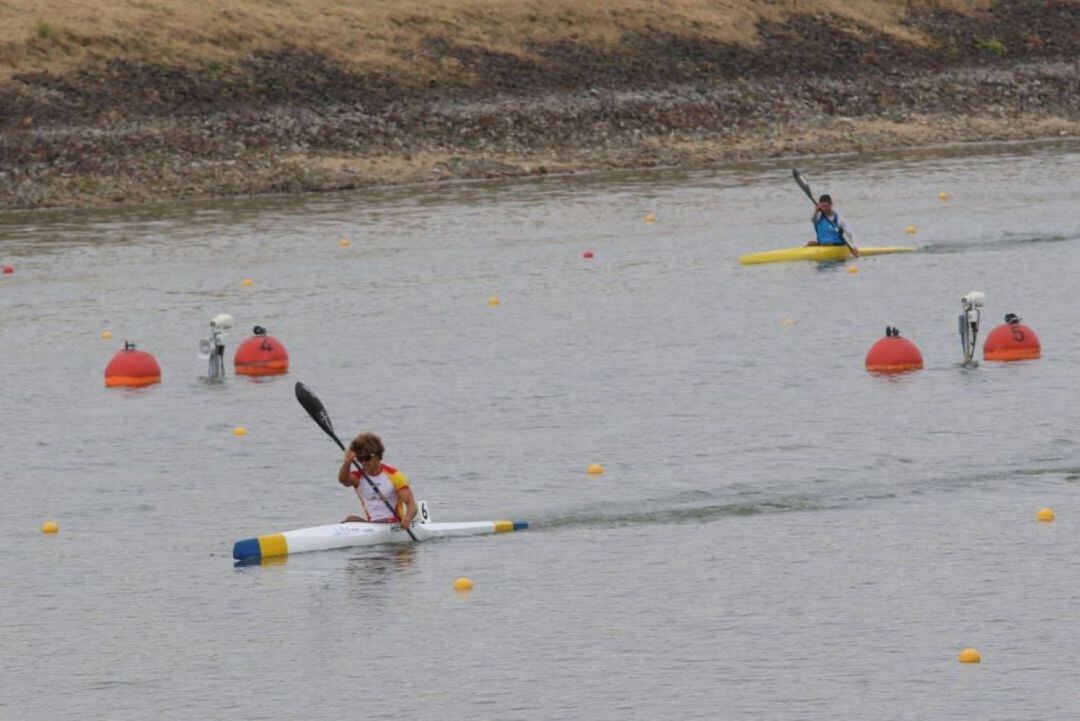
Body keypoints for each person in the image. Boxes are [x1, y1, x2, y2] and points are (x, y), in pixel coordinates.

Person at [337, 432, 417, 529]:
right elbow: (343, 480)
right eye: (360, 459)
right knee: (350, 519)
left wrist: (407, 519)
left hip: (393, 523)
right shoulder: (358, 477)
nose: (364, 462)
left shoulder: (395, 476)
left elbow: (411, 504)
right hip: (372, 524)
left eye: (367, 458)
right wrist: (347, 462)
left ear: (378, 455)